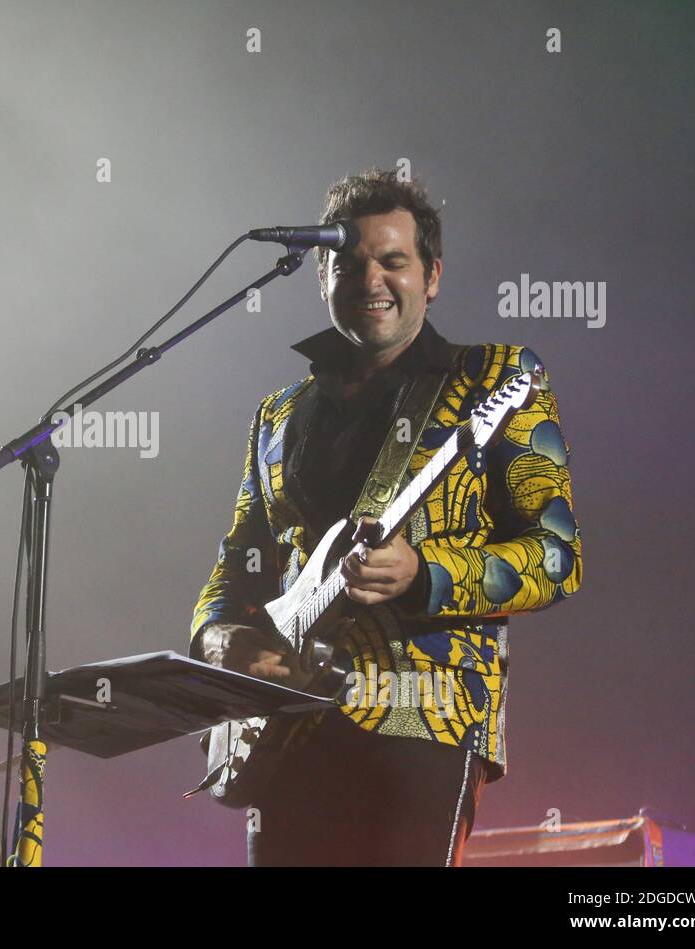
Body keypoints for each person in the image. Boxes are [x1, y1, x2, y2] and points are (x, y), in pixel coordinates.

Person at [190, 169, 582, 866]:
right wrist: (220, 638)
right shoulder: (277, 416)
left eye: (393, 261)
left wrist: (424, 571)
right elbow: (240, 558)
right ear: (320, 275)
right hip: (286, 733)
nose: (371, 278)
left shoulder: (494, 379)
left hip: (421, 720)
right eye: (349, 262)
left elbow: (556, 557)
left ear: (431, 277)